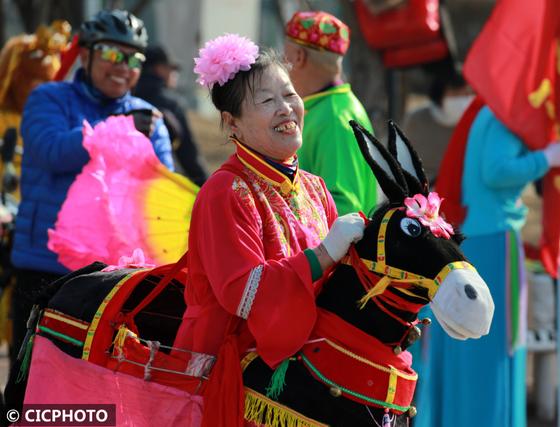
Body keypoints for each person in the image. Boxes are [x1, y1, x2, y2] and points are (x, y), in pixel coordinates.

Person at [173, 34, 365, 423]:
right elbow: (244, 292)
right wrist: (325, 254)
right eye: (266, 101)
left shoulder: (314, 186)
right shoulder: (224, 191)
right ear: (232, 123)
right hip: (234, 369)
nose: (286, 109)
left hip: (306, 364)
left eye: (290, 95)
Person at [8, 9, 173, 368]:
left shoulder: (149, 117)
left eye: (134, 58)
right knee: (29, 383)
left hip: (109, 277)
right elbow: (51, 152)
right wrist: (117, 128)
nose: (123, 66)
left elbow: (158, 197)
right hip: (44, 266)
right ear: (86, 55)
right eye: (113, 54)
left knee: (90, 383)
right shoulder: (48, 98)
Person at [422, 106, 560, 427]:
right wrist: (547, 158)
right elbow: (496, 170)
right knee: (492, 353)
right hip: (493, 241)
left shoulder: (490, 108)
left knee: (470, 352)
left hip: (476, 239)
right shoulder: (506, 112)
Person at [283, 10, 377, 215]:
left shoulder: (335, 118)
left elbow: (344, 208)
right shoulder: (328, 107)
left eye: (284, 55)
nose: (282, 63)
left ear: (298, 57)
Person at [133, 45, 209, 186]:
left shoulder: (126, 98)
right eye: (172, 69)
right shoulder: (171, 104)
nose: (174, 74)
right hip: (161, 184)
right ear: (159, 69)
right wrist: (205, 185)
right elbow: (188, 155)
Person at [402, 64, 473, 185]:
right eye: (456, 93)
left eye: (467, 93)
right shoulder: (417, 120)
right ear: (439, 93)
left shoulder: (474, 123)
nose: (462, 99)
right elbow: (402, 161)